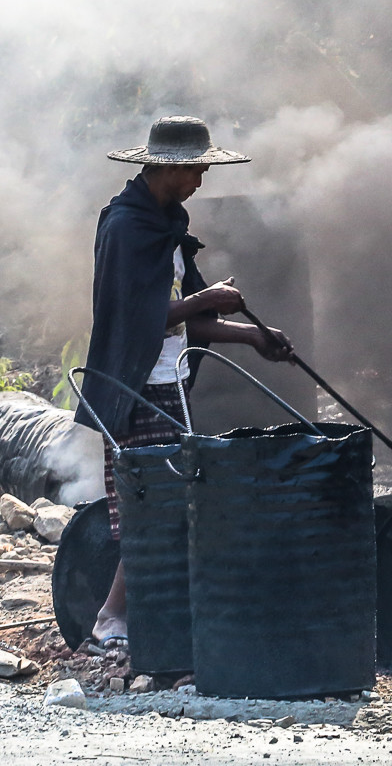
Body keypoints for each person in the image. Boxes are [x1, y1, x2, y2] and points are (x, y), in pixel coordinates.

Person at [74, 116, 293, 649]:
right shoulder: (127, 226)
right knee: (153, 500)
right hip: (133, 385)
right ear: (168, 168)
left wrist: (253, 338)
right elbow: (131, 315)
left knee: (166, 500)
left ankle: (156, 620)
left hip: (167, 381)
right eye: (196, 169)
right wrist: (207, 297)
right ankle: (111, 617)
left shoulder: (167, 221)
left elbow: (183, 320)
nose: (201, 180)